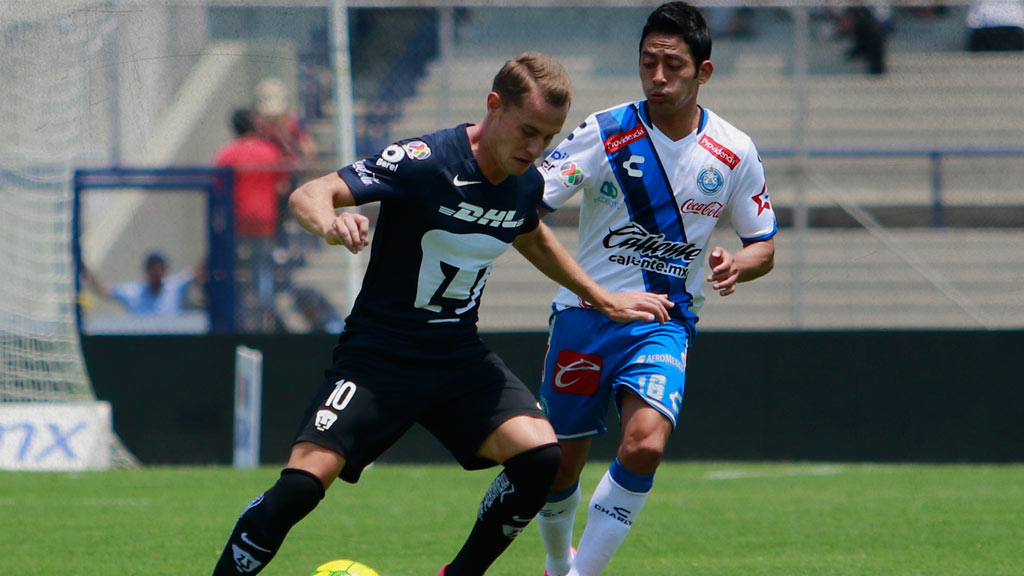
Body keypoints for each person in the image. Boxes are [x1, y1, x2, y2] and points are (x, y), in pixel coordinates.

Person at [209, 52, 673, 576]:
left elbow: (530, 233)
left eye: (548, 136)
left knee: (542, 457)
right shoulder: (423, 159)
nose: (536, 148)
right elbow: (311, 192)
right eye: (527, 131)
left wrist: (600, 295)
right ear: (494, 106)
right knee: (299, 489)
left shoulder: (525, 182)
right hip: (377, 358)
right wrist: (331, 223)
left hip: (456, 358)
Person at [533, 4, 777, 576]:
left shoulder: (734, 150)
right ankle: (554, 562)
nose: (658, 77)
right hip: (583, 317)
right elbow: (529, 208)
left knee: (644, 445)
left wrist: (738, 263)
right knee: (559, 466)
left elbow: (764, 244)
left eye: (673, 65)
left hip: (662, 322)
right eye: (649, 63)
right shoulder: (604, 131)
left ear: (704, 72)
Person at [213, 108, 289, 332]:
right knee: (262, 268)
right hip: (265, 218)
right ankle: (265, 315)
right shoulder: (269, 151)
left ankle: (237, 315)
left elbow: (217, 190)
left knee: (234, 268)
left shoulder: (226, 154)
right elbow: (282, 186)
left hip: (236, 219)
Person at [81, 251, 201, 316]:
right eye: (153, 269)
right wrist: (88, 273)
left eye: (160, 269)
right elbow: (104, 291)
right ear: (147, 272)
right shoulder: (134, 292)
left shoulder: (175, 286)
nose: (156, 273)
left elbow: (198, 272)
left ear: (165, 271)